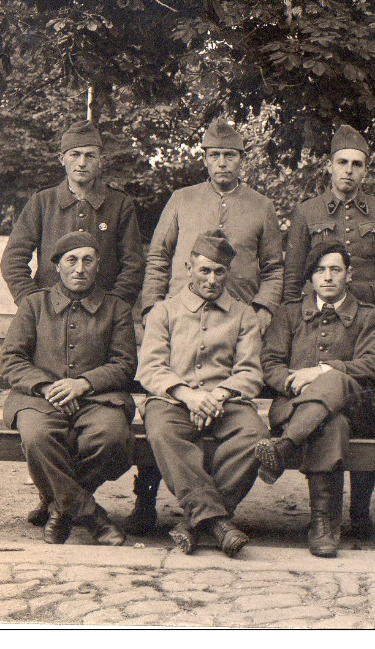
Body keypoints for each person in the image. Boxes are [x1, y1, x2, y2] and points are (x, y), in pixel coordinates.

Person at [129, 118, 284, 534]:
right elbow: (158, 258)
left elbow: (274, 268)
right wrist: (150, 308)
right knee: (165, 427)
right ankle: (197, 515)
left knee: (247, 432)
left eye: (229, 155)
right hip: (179, 323)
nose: (221, 163)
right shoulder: (181, 199)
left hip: (234, 324)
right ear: (204, 158)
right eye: (214, 155)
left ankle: (200, 519)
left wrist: (264, 308)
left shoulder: (261, 206)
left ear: (241, 159)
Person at [280, 124, 375, 537]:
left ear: (366, 170)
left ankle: (362, 512)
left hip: (370, 325)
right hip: (323, 320)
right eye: (342, 163)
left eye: (357, 165)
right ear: (329, 166)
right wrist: (297, 318)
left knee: (363, 408)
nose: (349, 172)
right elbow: (293, 277)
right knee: (333, 411)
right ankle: (328, 516)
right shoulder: (307, 212)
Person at [136, 230, 267, 557]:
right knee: (162, 433)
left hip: (227, 402)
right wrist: (188, 395)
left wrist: (220, 393)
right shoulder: (163, 312)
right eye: (204, 270)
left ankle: (197, 522)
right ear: (189, 267)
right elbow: (150, 368)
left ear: (228, 272)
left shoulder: (243, 314)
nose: (211, 279)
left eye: (219, 271)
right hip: (173, 402)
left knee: (255, 436)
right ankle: (218, 523)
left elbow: (250, 371)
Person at [0, 231, 136, 546]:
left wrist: (83, 384)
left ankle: (60, 507)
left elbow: (124, 363)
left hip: (98, 399)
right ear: (57, 266)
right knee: (37, 437)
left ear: (98, 265)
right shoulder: (35, 304)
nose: (80, 268)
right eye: (71, 260)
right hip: (39, 398)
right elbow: (11, 359)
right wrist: (48, 386)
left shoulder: (116, 308)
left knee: (112, 438)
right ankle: (91, 516)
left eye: (88, 260)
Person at [257, 241, 375, 557]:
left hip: (357, 407)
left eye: (335, 270)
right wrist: (291, 381)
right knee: (331, 424)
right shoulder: (289, 314)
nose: (327, 277)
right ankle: (322, 526)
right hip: (294, 405)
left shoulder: (368, 316)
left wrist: (319, 372)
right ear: (310, 277)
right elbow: (269, 363)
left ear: (349, 275)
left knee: (335, 381)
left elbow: (373, 364)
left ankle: (286, 446)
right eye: (319, 270)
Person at [0, 120, 145, 308]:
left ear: (101, 160)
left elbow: (134, 265)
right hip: (49, 315)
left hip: (102, 316)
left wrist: (115, 306)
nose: (82, 163)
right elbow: (12, 260)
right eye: (75, 155)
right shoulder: (43, 201)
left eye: (90, 156)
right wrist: (32, 303)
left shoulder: (119, 203)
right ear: (62, 159)